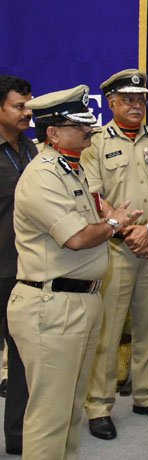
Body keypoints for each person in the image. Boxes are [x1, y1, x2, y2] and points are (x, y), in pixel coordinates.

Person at [9, 85, 141, 460]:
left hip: (79, 301)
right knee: (49, 414)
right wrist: (114, 223)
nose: (88, 130)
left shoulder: (73, 168)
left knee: (69, 412)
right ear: (52, 132)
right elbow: (79, 238)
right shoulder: (43, 175)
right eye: (77, 124)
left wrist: (111, 220)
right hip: (50, 305)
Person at [82, 69, 148, 440]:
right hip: (114, 246)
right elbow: (93, 195)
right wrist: (126, 230)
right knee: (108, 329)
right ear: (111, 103)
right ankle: (98, 405)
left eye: (141, 99)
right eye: (127, 100)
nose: (136, 106)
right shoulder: (93, 142)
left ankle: (145, 394)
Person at [0, 75, 36, 455]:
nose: (28, 113)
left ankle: (17, 437)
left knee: (23, 357)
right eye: (19, 106)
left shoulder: (31, 150)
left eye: (28, 105)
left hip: (21, 270)